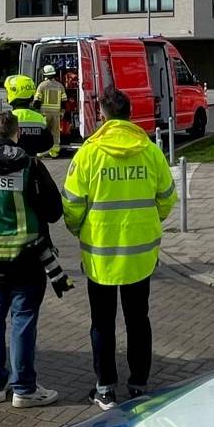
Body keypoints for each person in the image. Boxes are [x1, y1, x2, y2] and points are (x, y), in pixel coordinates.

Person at [62, 86, 175, 410]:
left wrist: (77, 229)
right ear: (129, 115)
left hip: (100, 255)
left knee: (102, 322)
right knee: (139, 319)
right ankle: (139, 383)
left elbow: (71, 205)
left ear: (103, 115)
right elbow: (167, 198)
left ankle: (105, 388)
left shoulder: (89, 152)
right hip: (140, 255)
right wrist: (149, 221)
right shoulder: (149, 150)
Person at [0, 110, 64, 408]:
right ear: (17, 135)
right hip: (27, 258)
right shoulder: (31, 165)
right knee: (23, 322)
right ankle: (24, 389)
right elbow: (54, 211)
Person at [4, 73, 51, 157]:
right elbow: (48, 143)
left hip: (12, 163)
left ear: (13, 93)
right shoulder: (39, 118)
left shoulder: (7, 118)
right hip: (32, 160)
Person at [36, 63, 68, 158]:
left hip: (44, 114)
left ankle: (41, 151)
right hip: (56, 114)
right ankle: (54, 152)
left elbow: (37, 101)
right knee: (55, 133)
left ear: (45, 75)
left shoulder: (42, 86)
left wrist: (35, 111)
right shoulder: (60, 86)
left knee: (43, 132)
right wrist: (62, 112)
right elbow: (64, 101)